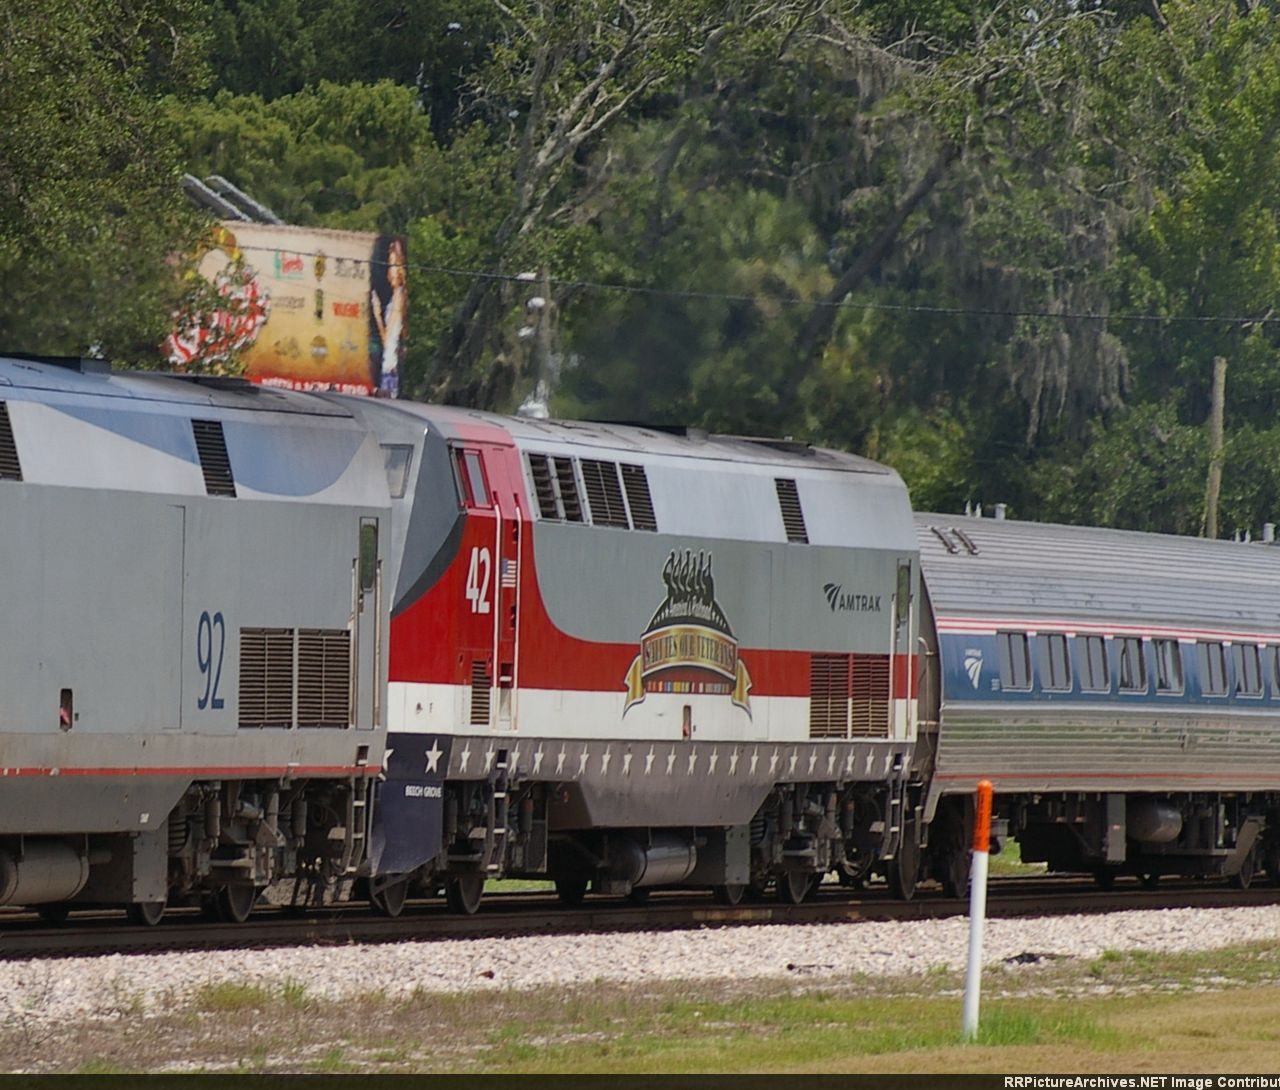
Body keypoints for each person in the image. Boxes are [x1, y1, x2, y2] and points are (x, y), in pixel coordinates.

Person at [370, 238, 407, 397]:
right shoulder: (398, 296)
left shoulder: (398, 298)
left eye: (393, 266)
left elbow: (388, 341)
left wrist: (377, 313)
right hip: (390, 368)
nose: (390, 272)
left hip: (389, 371)